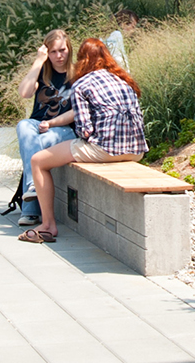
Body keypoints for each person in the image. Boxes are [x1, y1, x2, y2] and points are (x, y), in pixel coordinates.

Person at [21, 37, 147, 244]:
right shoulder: (124, 80)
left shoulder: (82, 84)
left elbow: (85, 130)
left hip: (105, 150)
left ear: (81, 60)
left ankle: (47, 225)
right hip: (137, 151)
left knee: (38, 161)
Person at [11, 30, 76, 227]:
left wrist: (53, 123)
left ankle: (30, 211)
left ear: (69, 49)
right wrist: (38, 61)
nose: (59, 56)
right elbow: (24, 93)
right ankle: (32, 186)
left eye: (62, 50)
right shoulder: (42, 71)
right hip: (37, 126)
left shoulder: (78, 74)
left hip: (64, 129)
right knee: (23, 126)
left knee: (38, 142)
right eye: (53, 51)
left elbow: (80, 111)